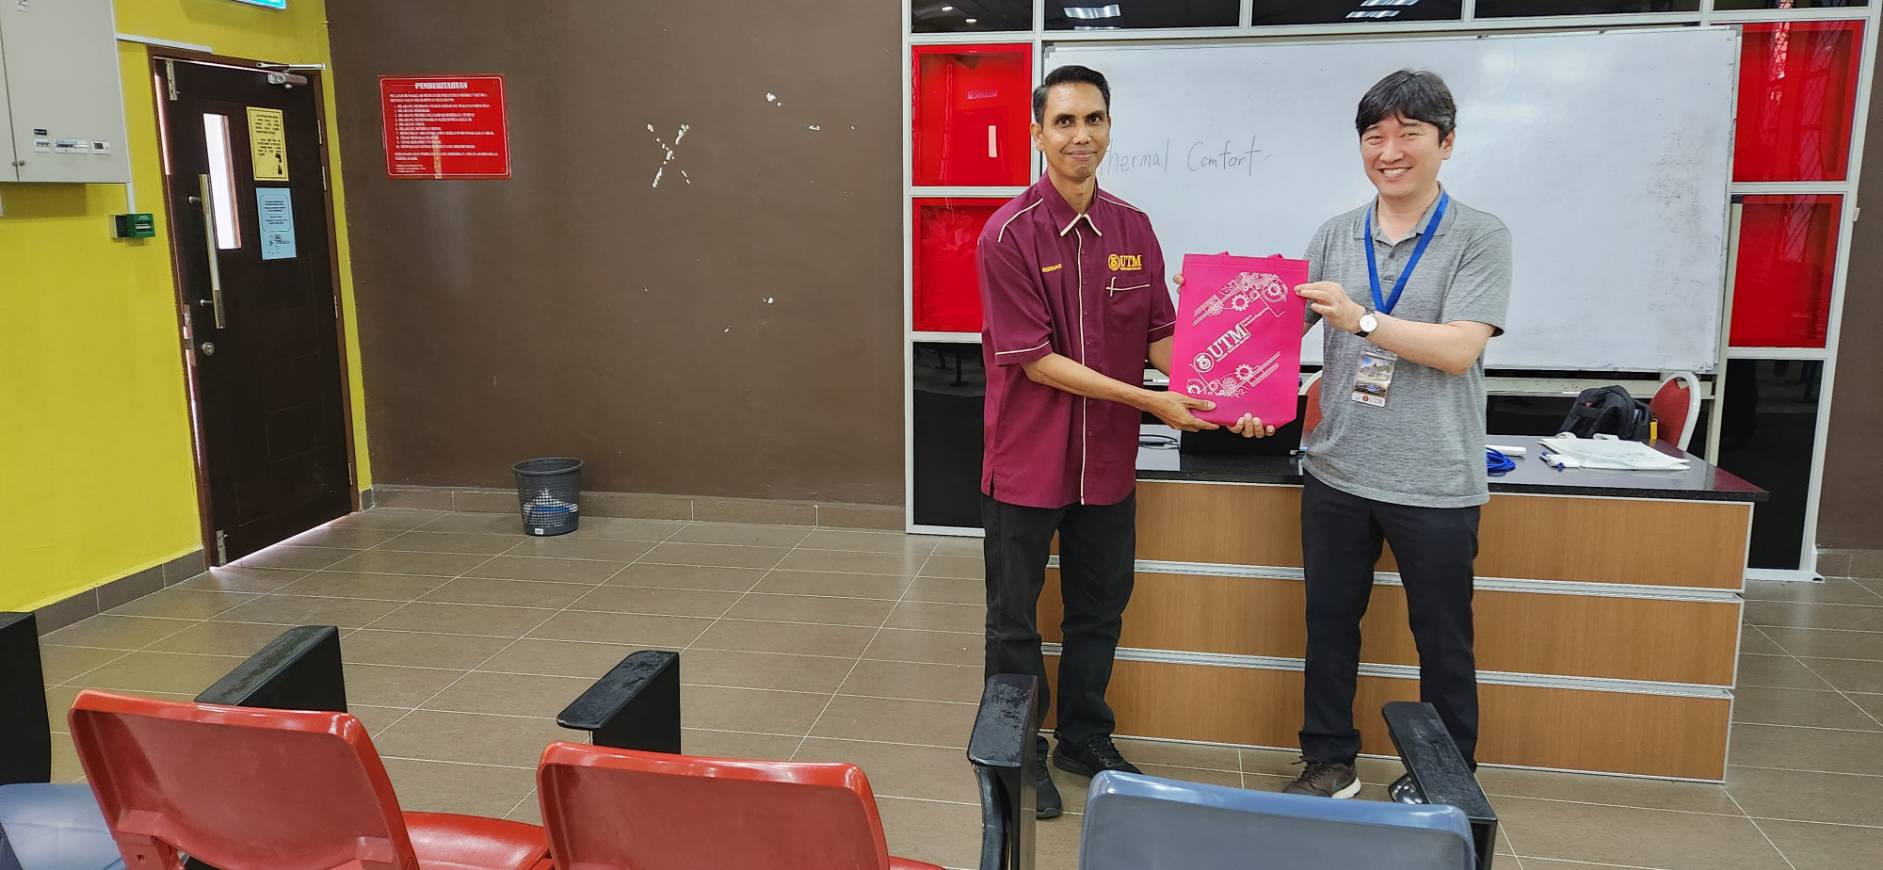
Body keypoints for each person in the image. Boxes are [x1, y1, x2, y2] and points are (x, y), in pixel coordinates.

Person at [1230, 69, 1512, 798]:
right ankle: (1328, 761)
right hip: (1338, 470)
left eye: (1408, 133)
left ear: (1446, 143)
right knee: (1328, 626)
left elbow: (1459, 348)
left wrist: (1360, 318)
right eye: (1374, 136)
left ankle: (1445, 777)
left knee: (1441, 639)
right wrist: (1217, 312)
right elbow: (1270, 336)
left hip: (1435, 478)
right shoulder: (1334, 236)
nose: (1389, 151)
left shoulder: (1479, 236)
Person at [977, 63, 1218, 818]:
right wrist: (1152, 402)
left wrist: (1224, 387)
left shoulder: (1132, 228)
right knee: (1014, 621)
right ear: (1038, 134)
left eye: (1094, 120)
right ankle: (1018, 756)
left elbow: (1159, 336)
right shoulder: (1008, 234)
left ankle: (1084, 737)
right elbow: (1038, 362)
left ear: (1109, 127)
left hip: (1106, 464)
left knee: (1098, 609)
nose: (1080, 135)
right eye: (1065, 121)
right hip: (1028, 461)